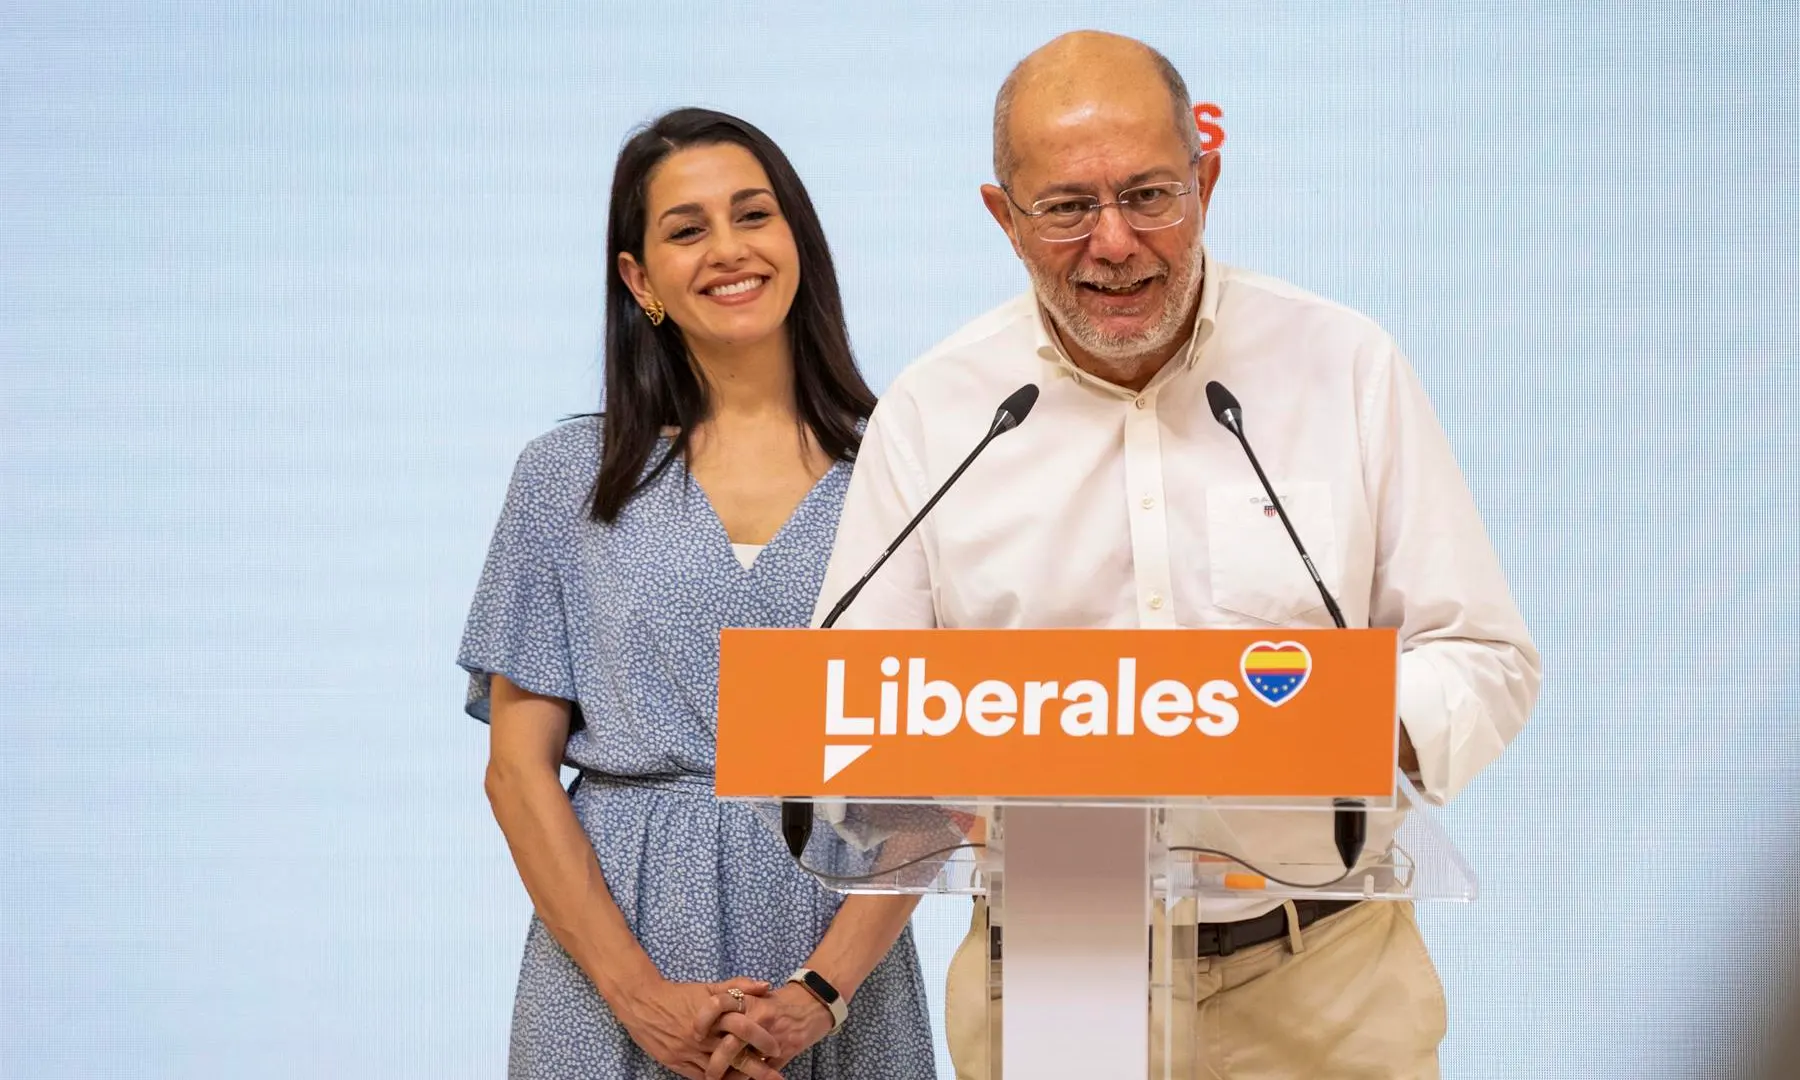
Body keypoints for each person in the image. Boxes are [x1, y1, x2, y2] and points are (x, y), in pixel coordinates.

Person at [812, 32, 1542, 1080]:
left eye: (1150, 194)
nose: (1114, 242)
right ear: (1003, 219)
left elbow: (1484, 656)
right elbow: (857, 704)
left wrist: (1347, 723)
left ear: (1207, 178)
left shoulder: (1344, 367)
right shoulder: (939, 414)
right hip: (1061, 949)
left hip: (1321, 965)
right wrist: (944, 766)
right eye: (1066, 208)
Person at [459, 108, 937, 1080]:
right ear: (640, 281)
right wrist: (641, 999)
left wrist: (821, 994)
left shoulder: (908, 471)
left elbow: (929, 784)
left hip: (838, 963)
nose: (729, 249)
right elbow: (517, 771)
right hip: (610, 959)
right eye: (686, 229)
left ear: (796, 239)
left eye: (753, 215)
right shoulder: (564, 478)